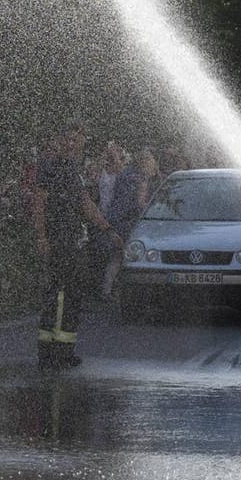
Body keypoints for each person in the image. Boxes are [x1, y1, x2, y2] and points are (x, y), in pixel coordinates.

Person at [33, 119, 119, 370]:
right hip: (57, 240)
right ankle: (48, 353)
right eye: (69, 140)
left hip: (73, 241)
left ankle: (65, 350)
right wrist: (41, 236)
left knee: (72, 297)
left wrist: (107, 229)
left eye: (77, 140)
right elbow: (39, 203)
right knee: (55, 296)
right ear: (59, 141)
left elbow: (85, 204)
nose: (73, 145)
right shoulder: (49, 167)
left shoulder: (73, 168)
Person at [99, 147, 156, 299]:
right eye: (151, 161)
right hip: (129, 220)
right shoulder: (141, 178)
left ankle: (107, 290)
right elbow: (139, 203)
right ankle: (127, 291)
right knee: (130, 256)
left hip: (115, 217)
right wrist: (154, 211)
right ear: (145, 162)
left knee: (115, 256)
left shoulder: (125, 173)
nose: (153, 164)